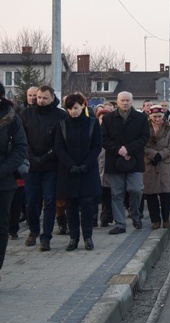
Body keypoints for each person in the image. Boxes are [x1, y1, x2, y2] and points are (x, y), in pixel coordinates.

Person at [21, 85, 68, 251]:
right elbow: (22, 138)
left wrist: (45, 157)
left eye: (44, 98)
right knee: (30, 202)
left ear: (51, 98)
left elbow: (60, 142)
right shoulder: (27, 113)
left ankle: (46, 237)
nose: (41, 101)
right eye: (39, 97)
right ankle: (33, 231)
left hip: (51, 165)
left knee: (49, 201)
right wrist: (32, 157)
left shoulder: (60, 115)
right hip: (31, 166)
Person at [54, 93, 102, 251]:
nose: (72, 111)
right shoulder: (62, 125)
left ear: (83, 105)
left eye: (75, 108)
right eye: (69, 108)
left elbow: (97, 146)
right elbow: (59, 148)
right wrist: (70, 165)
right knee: (71, 205)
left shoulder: (93, 123)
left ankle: (88, 237)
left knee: (87, 204)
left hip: (88, 170)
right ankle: (73, 238)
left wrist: (86, 165)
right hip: (68, 171)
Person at [101, 91, 149, 234]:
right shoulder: (108, 118)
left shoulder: (140, 118)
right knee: (117, 194)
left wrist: (128, 149)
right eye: (122, 100)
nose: (125, 103)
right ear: (117, 101)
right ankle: (120, 224)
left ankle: (135, 215)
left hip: (134, 160)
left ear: (132, 101)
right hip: (114, 161)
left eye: (127, 100)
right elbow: (104, 139)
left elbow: (144, 137)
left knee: (136, 189)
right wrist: (118, 150)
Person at [0, 83, 28, 280]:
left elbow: (20, 149)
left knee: (1, 226)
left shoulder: (11, 119)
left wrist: (2, 170)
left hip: (4, 180)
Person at [143, 105, 170, 230]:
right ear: (150, 117)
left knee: (165, 194)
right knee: (151, 194)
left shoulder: (169, 128)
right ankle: (155, 220)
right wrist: (153, 154)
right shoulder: (145, 128)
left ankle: (166, 219)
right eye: (155, 117)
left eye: (159, 117)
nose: (157, 119)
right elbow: (142, 144)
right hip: (149, 163)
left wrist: (161, 154)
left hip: (164, 163)